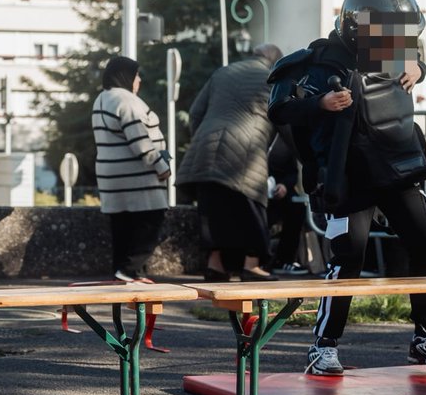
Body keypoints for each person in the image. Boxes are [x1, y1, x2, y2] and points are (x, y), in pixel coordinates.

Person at [267, 0, 426, 376]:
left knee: (424, 242)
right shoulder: (318, 61)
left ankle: (425, 336)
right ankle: (323, 345)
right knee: (349, 256)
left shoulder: (398, 54)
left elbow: (415, 60)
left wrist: (420, 66)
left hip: (396, 169)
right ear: (357, 29)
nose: (393, 45)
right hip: (347, 175)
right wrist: (319, 103)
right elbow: (279, 109)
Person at [177, 44, 284, 282]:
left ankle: (215, 266)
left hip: (205, 148)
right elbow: (283, 119)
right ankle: (251, 265)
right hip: (246, 150)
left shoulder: (223, 72)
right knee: (252, 206)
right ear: (274, 61)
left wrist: (203, 138)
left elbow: (195, 112)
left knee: (212, 210)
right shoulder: (274, 77)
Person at [91, 56, 170, 282]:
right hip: (137, 177)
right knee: (151, 220)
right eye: (136, 75)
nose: (139, 80)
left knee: (123, 227)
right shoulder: (126, 100)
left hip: (111, 176)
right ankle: (130, 270)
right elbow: (139, 139)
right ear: (125, 76)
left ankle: (126, 273)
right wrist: (160, 165)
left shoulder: (102, 99)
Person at [267, 130, 311, 276]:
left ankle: (285, 260)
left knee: (297, 208)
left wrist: (284, 185)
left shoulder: (284, 137)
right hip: (256, 186)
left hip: (278, 187)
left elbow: (292, 172)